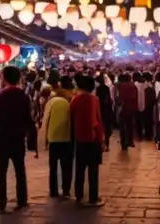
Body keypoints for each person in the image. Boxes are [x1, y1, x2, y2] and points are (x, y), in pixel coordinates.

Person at [0, 66, 36, 212]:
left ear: (4, 77)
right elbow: (28, 119)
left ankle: (2, 202)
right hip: (18, 138)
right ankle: (22, 200)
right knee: (19, 170)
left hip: (3, 138)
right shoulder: (23, 96)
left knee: (2, 172)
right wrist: (32, 140)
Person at [69, 74, 105, 207]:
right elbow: (98, 120)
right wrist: (102, 139)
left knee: (80, 168)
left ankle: (78, 195)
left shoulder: (75, 100)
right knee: (93, 170)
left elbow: (71, 114)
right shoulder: (94, 100)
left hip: (80, 138)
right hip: (94, 139)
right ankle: (93, 197)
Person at [40, 75, 74, 199]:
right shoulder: (71, 100)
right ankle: (66, 191)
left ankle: (53, 190)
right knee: (66, 166)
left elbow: (46, 120)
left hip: (53, 138)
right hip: (67, 137)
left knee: (53, 167)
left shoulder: (52, 101)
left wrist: (43, 142)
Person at [117, 72, 139, 150]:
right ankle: (130, 141)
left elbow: (120, 98)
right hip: (132, 108)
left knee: (122, 126)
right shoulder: (133, 86)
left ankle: (124, 142)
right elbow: (135, 97)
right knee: (130, 125)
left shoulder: (121, 86)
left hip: (124, 108)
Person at [96, 74, 115, 151]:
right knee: (107, 129)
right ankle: (106, 145)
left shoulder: (98, 89)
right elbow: (109, 99)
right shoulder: (106, 88)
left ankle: (101, 145)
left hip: (100, 110)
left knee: (100, 129)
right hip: (106, 111)